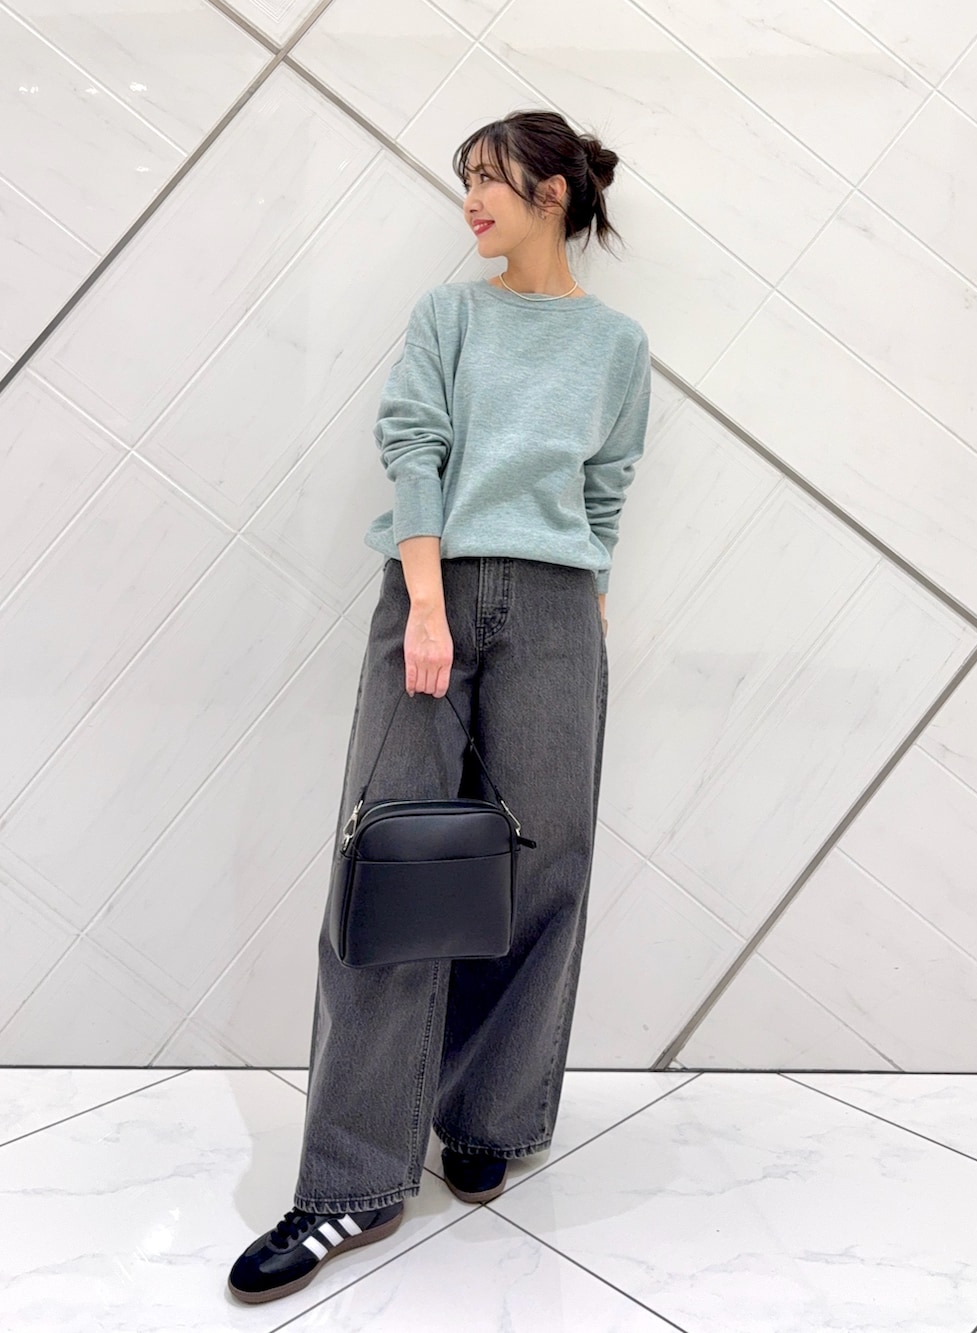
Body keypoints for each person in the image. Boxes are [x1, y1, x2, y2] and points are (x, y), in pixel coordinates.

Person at [227, 108, 651, 1306]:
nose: (470, 199)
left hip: (558, 610)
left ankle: (487, 1114)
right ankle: (351, 1181)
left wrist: (589, 608)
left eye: (489, 179)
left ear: (553, 193)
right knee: (394, 866)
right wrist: (426, 603)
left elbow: (606, 485)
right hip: (434, 589)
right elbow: (412, 443)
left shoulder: (616, 344)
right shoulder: (449, 316)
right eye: (464, 178)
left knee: (546, 863)